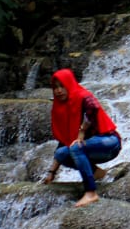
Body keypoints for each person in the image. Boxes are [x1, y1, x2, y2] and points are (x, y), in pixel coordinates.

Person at [42, 69, 121, 208]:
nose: (59, 90)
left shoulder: (83, 96)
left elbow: (93, 109)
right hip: (88, 147)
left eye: (62, 86)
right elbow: (63, 142)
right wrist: (51, 173)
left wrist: (81, 132)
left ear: (69, 84)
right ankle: (96, 172)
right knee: (61, 154)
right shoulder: (61, 107)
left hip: (109, 142)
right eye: (55, 87)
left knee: (76, 147)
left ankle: (91, 192)